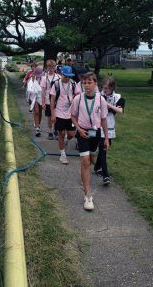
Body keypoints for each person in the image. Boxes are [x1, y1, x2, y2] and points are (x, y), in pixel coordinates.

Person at [71, 72, 109, 211]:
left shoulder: (101, 100)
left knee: (89, 158)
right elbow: (73, 115)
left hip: (96, 133)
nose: (86, 85)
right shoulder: (78, 99)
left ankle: (83, 171)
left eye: (89, 82)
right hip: (83, 133)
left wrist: (106, 138)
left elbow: (104, 119)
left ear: (95, 84)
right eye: (84, 83)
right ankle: (88, 195)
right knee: (86, 160)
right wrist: (79, 129)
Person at [94, 76, 125, 185]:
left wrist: (107, 104)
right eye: (103, 88)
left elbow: (120, 110)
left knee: (104, 149)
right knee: (103, 149)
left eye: (106, 88)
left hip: (110, 126)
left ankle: (97, 167)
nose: (104, 90)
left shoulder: (118, 97)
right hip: (99, 125)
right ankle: (105, 175)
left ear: (112, 88)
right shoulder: (98, 95)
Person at [50, 65, 76, 164]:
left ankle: (66, 139)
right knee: (61, 133)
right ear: (62, 74)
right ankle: (62, 155)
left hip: (71, 113)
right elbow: (52, 99)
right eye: (66, 76)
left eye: (70, 76)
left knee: (71, 134)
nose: (68, 78)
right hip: (59, 112)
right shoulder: (56, 84)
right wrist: (53, 114)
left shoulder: (73, 84)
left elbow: (77, 96)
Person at [40, 59, 60, 139]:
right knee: (49, 117)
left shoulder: (58, 77)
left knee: (57, 116)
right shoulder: (44, 78)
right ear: (47, 68)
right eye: (49, 67)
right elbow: (43, 91)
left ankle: (56, 130)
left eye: (52, 67)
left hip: (57, 100)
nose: (51, 69)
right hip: (48, 100)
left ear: (55, 67)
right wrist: (43, 102)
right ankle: (50, 131)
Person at [26, 66, 43, 137]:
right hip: (33, 98)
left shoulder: (43, 78)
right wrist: (28, 99)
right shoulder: (31, 79)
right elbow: (29, 90)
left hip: (41, 97)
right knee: (36, 111)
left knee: (40, 112)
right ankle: (37, 128)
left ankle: (38, 124)